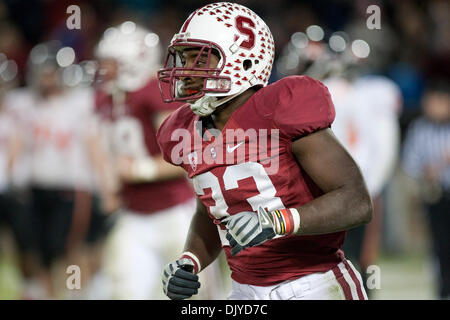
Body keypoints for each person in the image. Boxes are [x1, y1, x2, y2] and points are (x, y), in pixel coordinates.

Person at [157, 2, 372, 300]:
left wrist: (276, 221)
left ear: (242, 60)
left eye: (200, 59)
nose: (186, 71)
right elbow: (212, 211)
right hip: (244, 291)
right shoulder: (184, 130)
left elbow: (356, 200)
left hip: (314, 285)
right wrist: (189, 260)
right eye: (184, 59)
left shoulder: (280, 108)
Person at [93, 22, 223, 300]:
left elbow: (183, 155)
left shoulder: (153, 92)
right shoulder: (107, 96)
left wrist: (140, 169)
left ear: (132, 61)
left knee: (196, 297)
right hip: (133, 213)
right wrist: (109, 182)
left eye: (111, 62)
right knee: (124, 293)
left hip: (175, 212)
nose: (104, 69)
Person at [402, 79, 450, 299]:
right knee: (440, 245)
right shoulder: (420, 128)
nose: (434, 106)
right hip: (437, 196)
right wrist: (425, 172)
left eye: (439, 102)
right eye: (430, 101)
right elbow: (410, 162)